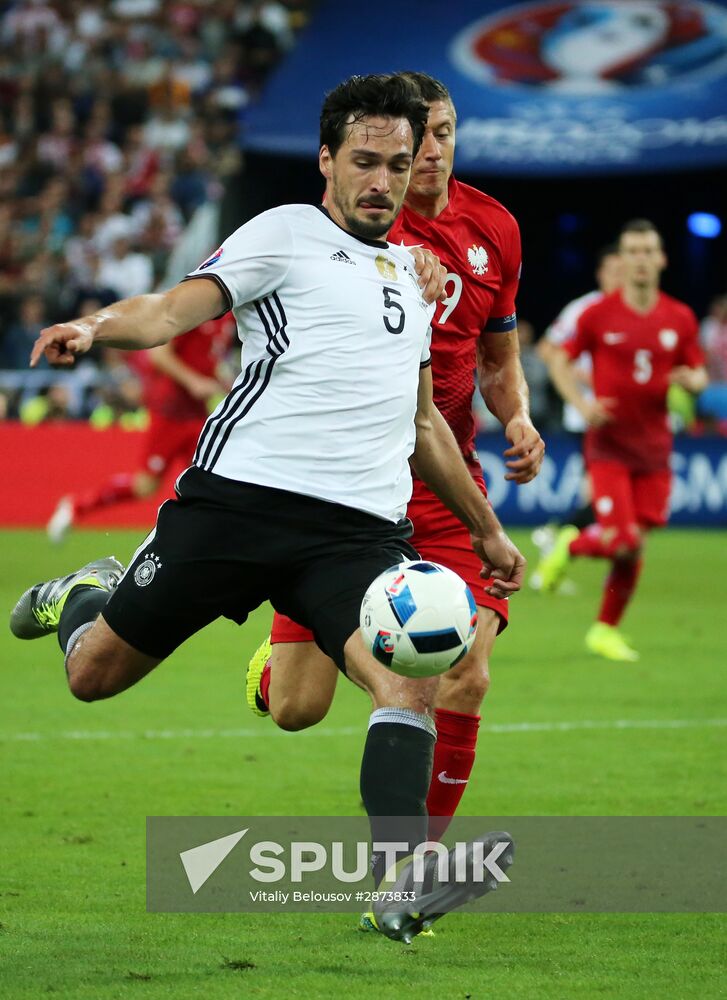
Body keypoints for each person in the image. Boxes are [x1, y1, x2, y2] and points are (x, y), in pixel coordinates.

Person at [9, 74, 525, 943]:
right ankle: (85, 598)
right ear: (326, 161)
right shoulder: (282, 235)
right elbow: (173, 308)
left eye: (397, 164)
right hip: (235, 509)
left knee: (410, 677)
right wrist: (97, 327)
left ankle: (398, 884)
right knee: (93, 676)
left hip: (355, 536)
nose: (382, 180)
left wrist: (485, 529)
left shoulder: (412, 279)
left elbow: (424, 421)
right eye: (364, 161)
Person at [245, 72, 544, 862]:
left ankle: (411, 873)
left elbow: (497, 355)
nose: (433, 153)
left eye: (445, 135)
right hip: (348, 482)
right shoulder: (350, 230)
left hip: (446, 484)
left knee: (464, 676)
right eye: (422, 140)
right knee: (296, 710)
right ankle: (277, 666)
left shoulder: (495, 229)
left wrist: (514, 413)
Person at [539, 219, 707, 661]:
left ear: (662, 259)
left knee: (633, 545)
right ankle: (571, 545)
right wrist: (582, 401)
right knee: (625, 540)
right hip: (608, 447)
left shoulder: (680, 317)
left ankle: (604, 630)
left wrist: (693, 380)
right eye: (632, 251)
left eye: (648, 251)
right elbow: (557, 360)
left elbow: (697, 371)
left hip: (655, 451)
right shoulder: (598, 315)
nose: (640, 259)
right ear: (622, 260)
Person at [46, 313, 235, 542]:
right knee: (146, 485)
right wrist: (193, 381)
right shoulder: (198, 311)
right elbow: (159, 355)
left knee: (207, 482)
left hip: (198, 414)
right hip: (171, 412)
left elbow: (207, 360)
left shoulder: (228, 319)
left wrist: (225, 382)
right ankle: (76, 506)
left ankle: (207, 542)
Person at [531, 245, 623, 590]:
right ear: (601, 274)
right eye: (612, 270)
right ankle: (557, 541)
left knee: (599, 499)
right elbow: (546, 349)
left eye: (623, 270)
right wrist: (585, 377)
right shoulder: (584, 309)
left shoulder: (633, 311)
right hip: (588, 417)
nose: (619, 277)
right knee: (602, 499)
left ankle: (556, 558)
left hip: (623, 421)